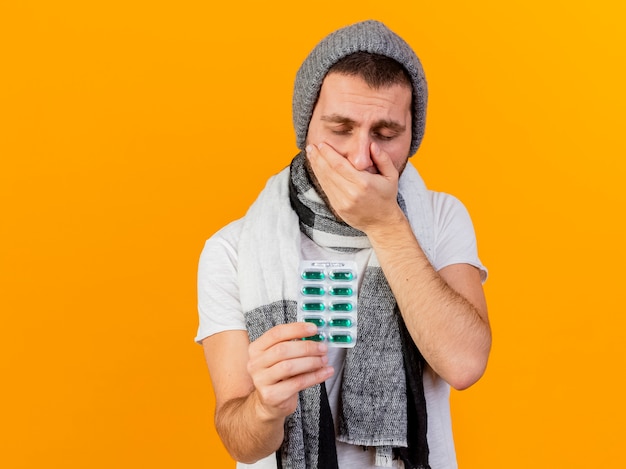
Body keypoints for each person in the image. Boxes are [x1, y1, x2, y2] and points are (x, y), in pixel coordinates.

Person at [196, 20, 491, 469]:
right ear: (306, 127)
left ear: (412, 137)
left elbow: (464, 363)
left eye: (386, 134)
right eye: (340, 128)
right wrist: (264, 408)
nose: (360, 157)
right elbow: (240, 440)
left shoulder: (439, 218)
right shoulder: (233, 250)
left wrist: (386, 224)